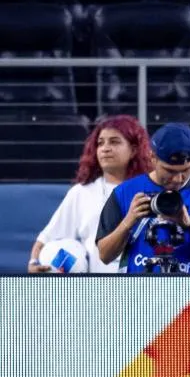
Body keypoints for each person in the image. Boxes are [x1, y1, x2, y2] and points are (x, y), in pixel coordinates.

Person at [95, 123, 190, 273]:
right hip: (139, 286)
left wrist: (189, 224)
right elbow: (104, 255)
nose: (178, 179)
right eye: (170, 171)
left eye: (186, 170)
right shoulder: (125, 192)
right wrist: (129, 221)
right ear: (152, 157)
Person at [30, 115, 152, 274]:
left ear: (133, 150)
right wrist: (34, 262)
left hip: (140, 285)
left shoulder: (149, 191)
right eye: (100, 143)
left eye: (114, 142)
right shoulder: (81, 192)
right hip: (94, 286)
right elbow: (46, 239)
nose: (105, 148)